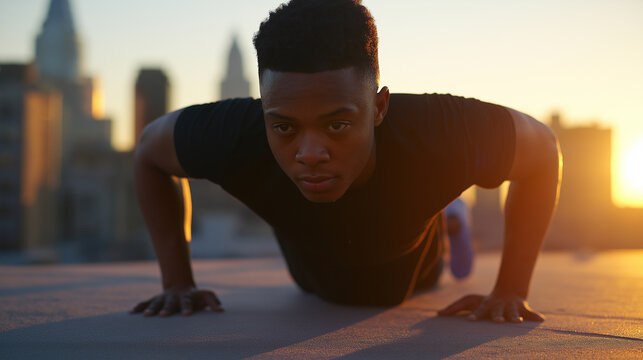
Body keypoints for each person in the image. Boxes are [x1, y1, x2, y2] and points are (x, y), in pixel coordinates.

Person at [130, 0, 561, 323]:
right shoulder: (239, 132)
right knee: (327, 285)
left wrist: (510, 288)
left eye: (336, 126)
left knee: (421, 250)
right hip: (314, 273)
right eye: (284, 128)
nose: (310, 155)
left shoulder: (439, 133)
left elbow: (543, 151)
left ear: (379, 107)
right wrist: (177, 282)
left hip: (413, 263)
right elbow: (149, 151)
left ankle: (451, 217)